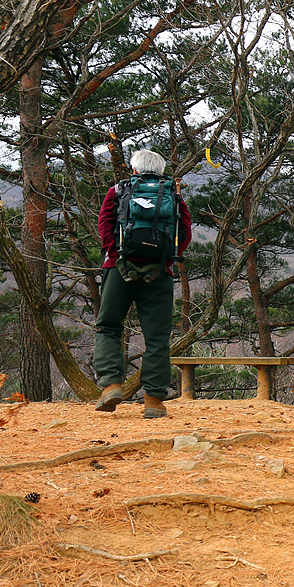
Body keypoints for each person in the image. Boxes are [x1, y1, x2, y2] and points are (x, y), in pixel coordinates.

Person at [93, 149, 191, 418]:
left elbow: (105, 224)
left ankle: (111, 385)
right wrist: (166, 261)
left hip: (118, 268)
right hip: (159, 273)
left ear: (134, 170)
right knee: (157, 337)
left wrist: (116, 255)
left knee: (109, 326)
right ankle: (153, 400)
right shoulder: (173, 195)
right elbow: (184, 233)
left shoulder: (118, 190)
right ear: (162, 171)